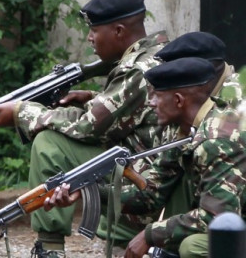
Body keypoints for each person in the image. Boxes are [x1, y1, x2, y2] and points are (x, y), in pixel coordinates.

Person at [0, 0, 169, 257]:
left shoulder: (137, 70)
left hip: (149, 178)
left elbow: (89, 127)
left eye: (95, 30)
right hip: (156, 166)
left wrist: (21, 112)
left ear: (118, 31)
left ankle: (50, 249)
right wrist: (91, 98)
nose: (90, 38)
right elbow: (136, 112)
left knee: (50, 143)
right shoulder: (157, 54)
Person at [45, 57, 246, 258]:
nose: (150, 103)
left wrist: (150, 235)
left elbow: (215, 217)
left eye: (157, 96)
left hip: (232, 224)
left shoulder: (216, 139)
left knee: (193, 247)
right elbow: (151, 194)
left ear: (178, 100)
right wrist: (87, 191)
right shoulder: (185, 130)